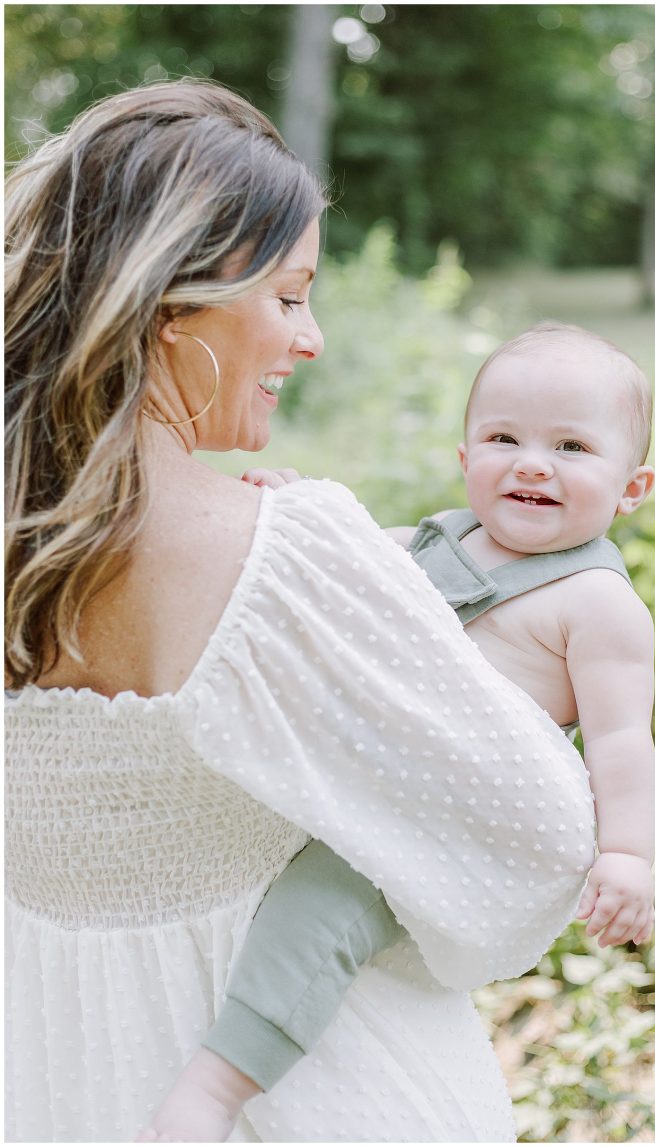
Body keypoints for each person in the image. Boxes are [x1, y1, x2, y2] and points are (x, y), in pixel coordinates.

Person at [5, 79, 597, 1144]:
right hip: (322, 1104)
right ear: (171, 307)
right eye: (287, 296)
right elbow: (540, 839)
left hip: (61, 1096)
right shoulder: (286, 558)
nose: (311, 337)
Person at [141, 321, 655, 1141]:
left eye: (570, 445)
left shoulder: (596, 603)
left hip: (443, 818)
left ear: (632, 488)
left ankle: (216, 1084)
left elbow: (623, 741)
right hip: (373, 766)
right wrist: (292, 509)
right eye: (504, 437)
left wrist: (627, 854)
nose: (532, 462)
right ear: (465, 459)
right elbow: (348, 562)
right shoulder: (446, 537)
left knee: (320, 912)